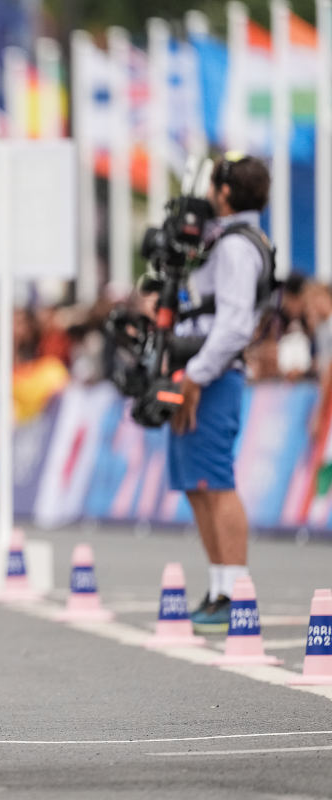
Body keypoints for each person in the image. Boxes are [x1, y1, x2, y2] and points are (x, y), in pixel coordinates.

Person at [169, 154, 272, 633]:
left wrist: (195, 376)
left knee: (215, 479)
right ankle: (218, 586)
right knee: (197, 482)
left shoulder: (234, 246)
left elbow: (232, 326)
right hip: (203, 370)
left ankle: (235, 591)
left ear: (226, 192)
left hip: (212, 374)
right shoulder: (228, 240)